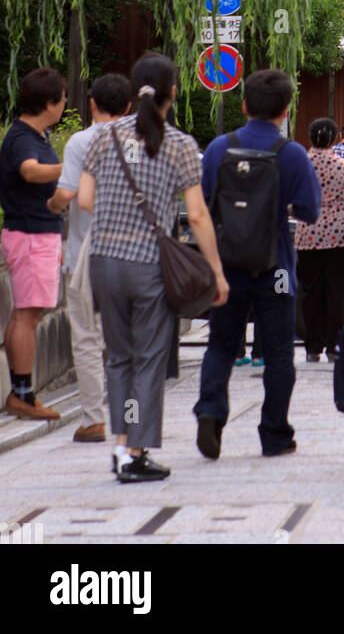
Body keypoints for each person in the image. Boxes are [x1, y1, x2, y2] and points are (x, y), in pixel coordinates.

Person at [79, 52, 229, 482]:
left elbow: (86, 200)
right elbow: (197, 217)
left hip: (105, 261)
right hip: (147, 266)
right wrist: (216, 272)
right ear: (173, 94)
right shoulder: (180, 144)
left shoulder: (104, 138)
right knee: (148, 360)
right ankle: (132, 449)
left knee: (119, 358)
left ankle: (122, 442)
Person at [193, 69, 321, 459]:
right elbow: (310, 212)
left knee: (220, 344)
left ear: (244, 105)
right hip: (276, 267)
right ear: (285, 111)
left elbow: (203, 204)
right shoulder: (293, 154)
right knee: (280, 351)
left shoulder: (218, 149)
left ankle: (212, 413)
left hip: (227, 264)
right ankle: (274, 433)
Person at [46, 73, 132, 441]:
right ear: (129, 107)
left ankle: (94, 418)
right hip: (133, 251)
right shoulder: (142, 139)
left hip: (87, 251)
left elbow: (66, 194)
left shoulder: (81, 141)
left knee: (86, 335)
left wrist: (50, 205)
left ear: (92, 103)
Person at [0, 68, 68, 421]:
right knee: (27, 314)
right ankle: (23, 394)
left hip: (34, 233)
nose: (64, 104)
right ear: (49, 103)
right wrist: (66, 167)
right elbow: (29, 171)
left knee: (25, 312)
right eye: (62, 98)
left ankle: (22, 391)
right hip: (30, 234)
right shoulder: (24, 138)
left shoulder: (33, 135)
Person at [296, 118, 344, 363]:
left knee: (311, 290)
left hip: (307, 233)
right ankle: (333, 344)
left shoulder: (301, 166)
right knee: (337, 291)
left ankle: (313, 346)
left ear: (310, 136)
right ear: (334, 138)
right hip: (339, 235)